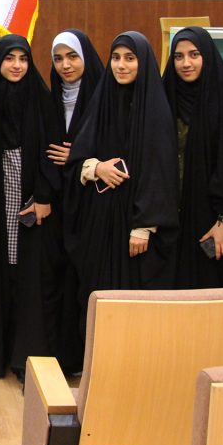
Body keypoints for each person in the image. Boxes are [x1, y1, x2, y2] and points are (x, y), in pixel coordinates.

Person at [63, 31, 178, 321]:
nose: (121, 65)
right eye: (115, 58)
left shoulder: (156, 110)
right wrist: (96, 168)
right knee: (95, 295)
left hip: (135, 225)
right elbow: (77, 159)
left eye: (130, 58)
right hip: (99, 221)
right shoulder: (101, 102)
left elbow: (160, 171)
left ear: (144, 63)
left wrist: (144, 226)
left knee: (131, 302)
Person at [0, 34, 59, 382]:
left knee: (30, 276)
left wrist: (44, 195)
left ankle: (27, 359)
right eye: (9, 58)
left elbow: (53, 152)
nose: (17, 65)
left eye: (23, 58)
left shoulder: (42, 98)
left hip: (33, 197)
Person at [162, 27, 223, 288]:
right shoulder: (165, 96)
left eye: (194, 54)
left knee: (206, 287)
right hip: (168, 215)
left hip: (210, 216)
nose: (186, 63)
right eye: (178, 56)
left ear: (207, 55)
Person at [46, 30, 104, 373]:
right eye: (58, 58)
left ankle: (92, 360)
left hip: (94, 204)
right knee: (60, 281)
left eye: (72, 57)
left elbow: (115, 145)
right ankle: (64, 358)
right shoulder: (51, 97)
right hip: (60, 203)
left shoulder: (104, 95)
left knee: (89, 281)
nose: (65, 65)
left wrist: (79, 155)